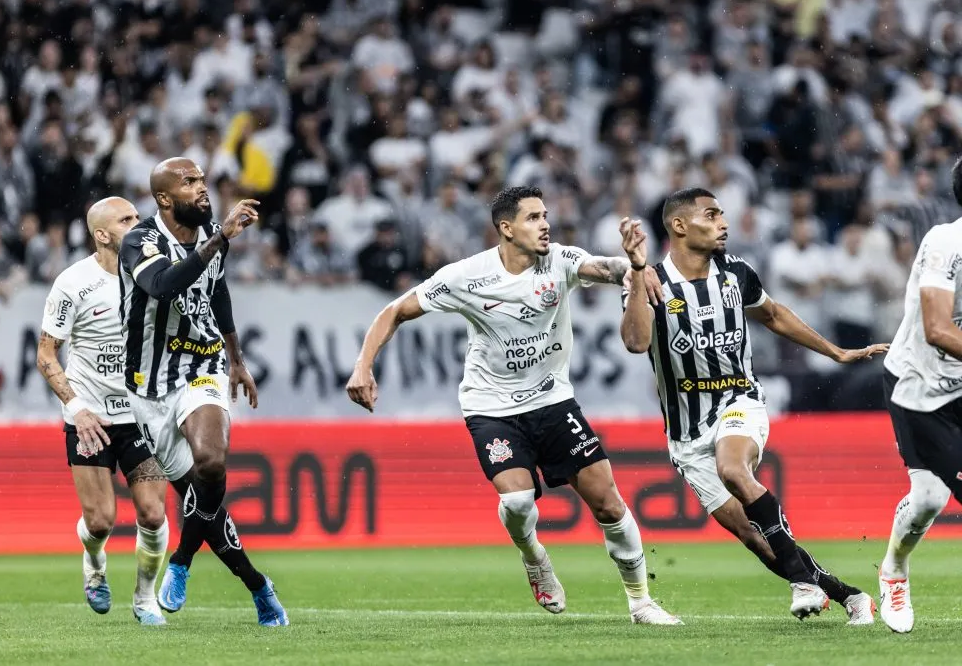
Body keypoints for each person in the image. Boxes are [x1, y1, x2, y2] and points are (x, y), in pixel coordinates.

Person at [346, 186, 681, 625]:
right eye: (533, 218)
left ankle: (641, 603)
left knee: (609, 505)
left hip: (553, 401)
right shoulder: (467, 276)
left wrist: (637, 266)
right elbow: (394, 310)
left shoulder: (560, 261)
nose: (545, 225)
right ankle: (534, 556)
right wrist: (363, 367)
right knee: (520, 502)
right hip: (491, 407)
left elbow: (606, 266)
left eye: (545, 216)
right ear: (506, 228)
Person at [619, 187, 887, 623]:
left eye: (723, 214)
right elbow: (635, 342)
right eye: (712, 214)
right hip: (686, 432)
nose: (723, 222)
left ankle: (803, 585)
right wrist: (634, 269)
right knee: (753, 535)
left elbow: (775, 315)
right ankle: (849, 595)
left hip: (739, 399)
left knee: (733, 469)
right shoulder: (648, 281)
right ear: (680, 225)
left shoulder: (737, 273)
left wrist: (836, 353)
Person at [117, 158, 288, 627]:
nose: (202, 188)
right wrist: (221, 239)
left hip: (201, 363)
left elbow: (216, 292)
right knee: (202, 504)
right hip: (149, 387)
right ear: (166, 199)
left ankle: (181, 561)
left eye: (201, 180)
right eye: (189, 182)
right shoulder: (140, 242)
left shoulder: (212, 233)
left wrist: (235, 359)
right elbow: (165, 285)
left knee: (211, 461)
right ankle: (258, 586)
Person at [36, 196, 169, 626]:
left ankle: (145, 599)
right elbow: (45, 356)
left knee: (152, 513)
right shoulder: (73, 283)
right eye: (127, 218)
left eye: (138, 215)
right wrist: (77, 408)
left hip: (143, 415)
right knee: (101, 521)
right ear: (102, 234)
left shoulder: (155, 273)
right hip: (90, 417)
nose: (139, 222)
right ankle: (94, 564)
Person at [878, 156, 962, 634]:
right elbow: (936, 328)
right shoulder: (945, 241)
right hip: (920, 388)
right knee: (929, 497)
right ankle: (894, 569)